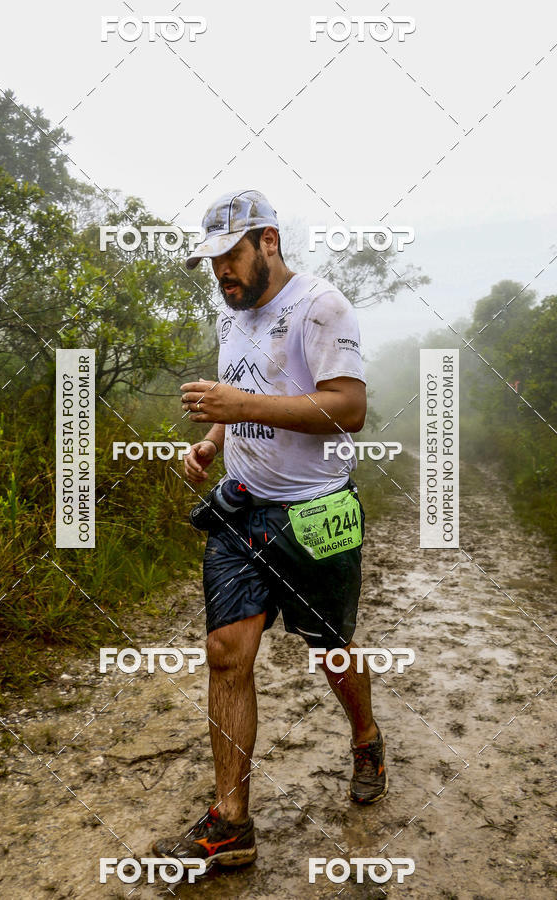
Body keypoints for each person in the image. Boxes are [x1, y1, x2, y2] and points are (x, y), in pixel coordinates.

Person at [151, 189, 387, 872]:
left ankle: (365, 736)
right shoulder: (232, 316)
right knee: (228, 652)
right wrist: (215, 441)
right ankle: (232, 824)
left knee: (331, 651)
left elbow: (350, 408)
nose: (221, 272)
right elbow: (247, 389)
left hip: (316, 513)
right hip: (242, 508)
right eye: (212, 262)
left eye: (231, 256)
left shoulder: (322, 306)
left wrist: (240, 403)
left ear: (269, 243)